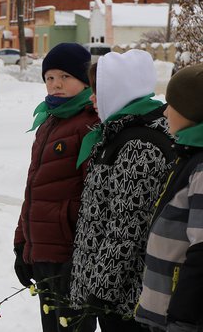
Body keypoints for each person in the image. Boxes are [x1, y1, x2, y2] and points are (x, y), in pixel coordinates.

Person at [69, 50, 172, 331]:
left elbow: (127, 228)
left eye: (97, 91)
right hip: (115, 294)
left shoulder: (139, 145)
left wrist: (100, 292)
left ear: (118, 91)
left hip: (128, 299)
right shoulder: (119, 134)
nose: (92, 98)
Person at [13, 43, 98, 332]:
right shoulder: (48, 123)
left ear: (85, 81)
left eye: (65, 77)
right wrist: (22, 243)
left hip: (70, 256)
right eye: (50, 78)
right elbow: (34, 190)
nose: (56, 85)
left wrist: (82, 256)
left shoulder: (90, 124)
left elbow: (95, 197)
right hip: (43, 251)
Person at [135, 63, 203, 331]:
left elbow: (202, 250)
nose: (165, 112)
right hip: (166, 311)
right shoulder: (187, 155)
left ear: (192, 113)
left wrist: (182, 317)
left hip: (180, 318)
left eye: (172, 104)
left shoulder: (201, 168)